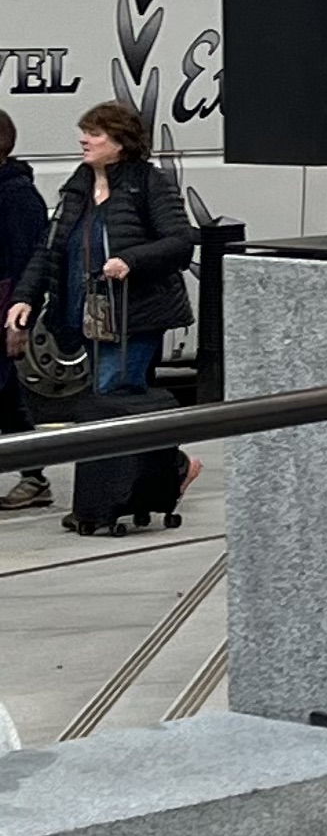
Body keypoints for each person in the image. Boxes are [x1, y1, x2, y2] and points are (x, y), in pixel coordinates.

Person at [8, 101, 194, 533]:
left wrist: (131, 260)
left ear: (121, 142)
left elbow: (180, 241)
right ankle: (167, 470)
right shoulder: (78, 185)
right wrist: (25, 298)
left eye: (94, 133)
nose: (84, 140)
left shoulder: (147, 183)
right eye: (85, 132)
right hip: (88, 315)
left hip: (136, 315)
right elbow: (49, 249)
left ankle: (102, 501)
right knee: (112, 400)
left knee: (112, 392)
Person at [0, 113, 50, 513]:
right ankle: (34, 475)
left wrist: (19, 322)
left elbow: (27, 263)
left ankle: (34, 475)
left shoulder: (17, 195)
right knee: (7, 397)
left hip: (2, 307)